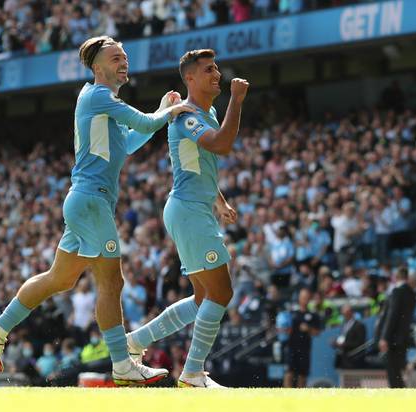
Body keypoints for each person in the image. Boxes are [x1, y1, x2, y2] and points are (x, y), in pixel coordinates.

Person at [0, 35, 195, 386]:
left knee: (59, 279)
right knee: (111, 280)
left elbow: (128, 143)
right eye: (115, 58)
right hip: (91, 201)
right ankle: (122, 364)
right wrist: (168, 110)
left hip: (85, 201)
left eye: (124, 57)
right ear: (97, 67)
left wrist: (160, 113)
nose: (123, 62)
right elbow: (144, 124)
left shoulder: (101, 103)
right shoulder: (98, 95)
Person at [125, 49, 249, 388]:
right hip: (189, 211)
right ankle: (193, 373)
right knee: (220, 294)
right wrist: (237, 101)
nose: (217, 74)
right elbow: (221, 145)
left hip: (192, 208)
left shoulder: (204, 110)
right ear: (190, 78)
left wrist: (219, 200)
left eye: (217, 68)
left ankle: (135, 341)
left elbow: (200, 163)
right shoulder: (186, 115)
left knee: (201, 299)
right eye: (208, 69)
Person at [376, 266, 416, 388]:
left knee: (393, 374)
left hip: (392, 339)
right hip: (403, 338)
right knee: (399, 372)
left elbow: (392, 315)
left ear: (396, 277)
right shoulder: (411, 294)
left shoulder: (397, 291)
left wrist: (384, 337)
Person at [284, 288, 320, 388]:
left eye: (306, 297)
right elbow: (284, 329)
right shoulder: (291, 313)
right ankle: (286, 397)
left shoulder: (313, 315)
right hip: (291, 347)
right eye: (303, 297)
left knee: (302, 376)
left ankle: (300, 399)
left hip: (304, 349)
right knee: (289, 374)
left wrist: (308, 328)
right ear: (299, 298)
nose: (304, 299)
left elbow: (317, 332)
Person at [332, 304, 366, 369]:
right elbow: (343, 338)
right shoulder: (344, 325)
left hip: (353, 360)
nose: (345, 315)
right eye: (343, 313)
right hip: (343, 359)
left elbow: (360, 343)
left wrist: (343, 345)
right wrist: (336, 343)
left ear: (351, 313)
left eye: (346, 313)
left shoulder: (359, 325)